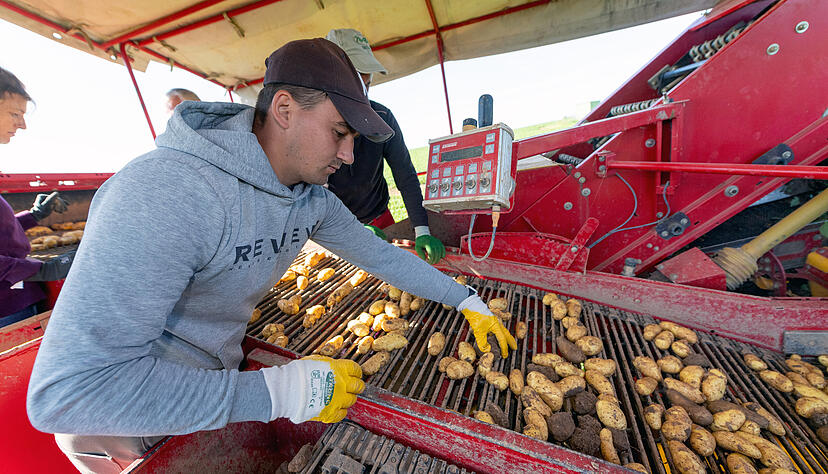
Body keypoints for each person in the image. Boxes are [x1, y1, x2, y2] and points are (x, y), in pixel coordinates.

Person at [27, 39, 515, 473]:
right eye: (339, 132)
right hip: (129, 432)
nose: (349, 155)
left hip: (215, 394)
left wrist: (464, 299)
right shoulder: (166, 192)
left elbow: (380, 256)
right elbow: (68, 394)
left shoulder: (311, 200)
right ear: (284, 109)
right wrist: (278, 393)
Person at [325, 28, 446, 264]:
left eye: (367, 85)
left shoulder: (382, 118)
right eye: (355, 84)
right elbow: (311, 193)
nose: (362, 95)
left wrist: (422, 229)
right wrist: (350, 230)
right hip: (335, 228)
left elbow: (405, 175)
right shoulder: (313, 123)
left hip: (380, 220)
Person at [0, 66, 73, 326]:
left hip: (19, 295)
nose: (23, 124)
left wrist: (34, 216)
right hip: (7, 307)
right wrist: (41, 268)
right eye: (15, 114)